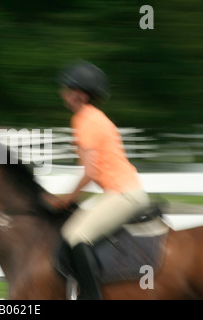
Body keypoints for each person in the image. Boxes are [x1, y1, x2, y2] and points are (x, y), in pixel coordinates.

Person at [46, 61, 150, 299]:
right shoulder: (94, 117)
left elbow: (90, 173)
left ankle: (91, 296)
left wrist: (67, 199)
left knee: (75, 237)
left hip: (122, 195)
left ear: (80, 95)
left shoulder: (85, 120)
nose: (63, 93)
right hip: (122, 192)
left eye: (67, 89)